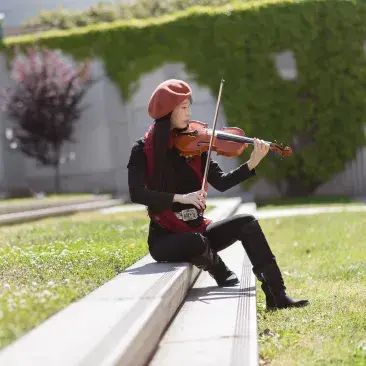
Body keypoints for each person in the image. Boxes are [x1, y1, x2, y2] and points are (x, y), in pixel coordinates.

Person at [127, 79, 309, 310]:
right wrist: (180, 199)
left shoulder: (196, 144)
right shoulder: (142, 150)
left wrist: (251, 163)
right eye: (182, 108)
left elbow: (222, 182)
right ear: (167, 112)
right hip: (165, 239)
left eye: (188, 106)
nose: (188, 113)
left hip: (199, 229)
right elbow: (137, 193)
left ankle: (278, 295)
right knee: (195, 241)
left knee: (247, 223)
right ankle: (219, 270)